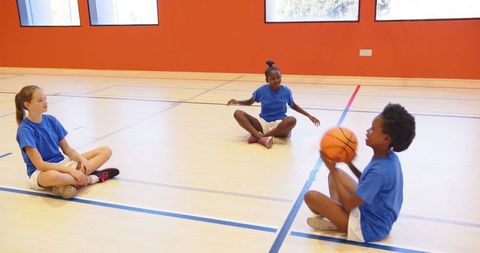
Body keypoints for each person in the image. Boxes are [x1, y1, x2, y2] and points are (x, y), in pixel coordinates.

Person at [304, 103, 416, 242]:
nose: (367, 131)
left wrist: (332, 170)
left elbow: (350, 205)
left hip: (368, 228)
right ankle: (336, 216)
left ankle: (337, 221)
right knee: (337, 176)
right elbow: (367, 181)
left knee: (311, 197)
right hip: (373, 214)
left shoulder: (380, 171)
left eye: (373, 129)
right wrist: (349, 163)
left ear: (386, 139)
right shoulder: (388, 158)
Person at [15, 85, 120, 199]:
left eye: (45, 98)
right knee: (54, 177)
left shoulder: (51, 120)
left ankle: (63, 186)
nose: (45, 102)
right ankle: (92, 178)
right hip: (42, 172)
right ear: (27, 105)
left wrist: (82, 160)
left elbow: (67, 150)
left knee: (105, 151)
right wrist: (70, 171)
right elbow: (40, 164)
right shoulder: (25, 130)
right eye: (40, 100)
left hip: (62, 164)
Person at [227, 60, 320, 148]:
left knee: (292, 120)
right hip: (263, 123)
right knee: (238, 113)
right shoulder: (261, 90)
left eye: (278, 77)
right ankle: (261, 138)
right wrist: (237, 101)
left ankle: (259, 136)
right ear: (267, 80)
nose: (276, 80)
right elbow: (249, 102)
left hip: (279, 125)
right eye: (272, 79)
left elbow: (293, 105)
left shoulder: (286, 91)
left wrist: (309, 115)